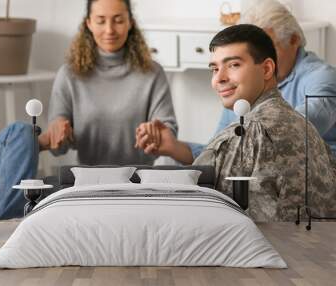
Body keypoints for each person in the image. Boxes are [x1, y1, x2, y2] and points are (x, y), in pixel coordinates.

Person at [0, 0, 177, 219]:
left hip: (138, 182)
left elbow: (169, 132)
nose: (109, 30)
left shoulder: (153, 73)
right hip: (88, 182)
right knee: (41, 197)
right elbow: (59, 144)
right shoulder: (69, 74)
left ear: (130, 23)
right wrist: (59, 132)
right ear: (88, 23)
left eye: (118, 20)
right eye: (101, 20)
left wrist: (156, 133)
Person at [136, 24, 336, 221]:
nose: (219, 78)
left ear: (267, 69)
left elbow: (192, 212)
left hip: (267, 251)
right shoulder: (303, 125)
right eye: (214, 69)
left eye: (233, 65)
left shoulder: (248, 133)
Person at [182, 0, 336, 158]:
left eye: (267, 47)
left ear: (293, 40)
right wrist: (175, 148)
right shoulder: (244, 88)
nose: (261, 57)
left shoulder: (323, 78)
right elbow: (219, 153)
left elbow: (292, 130)